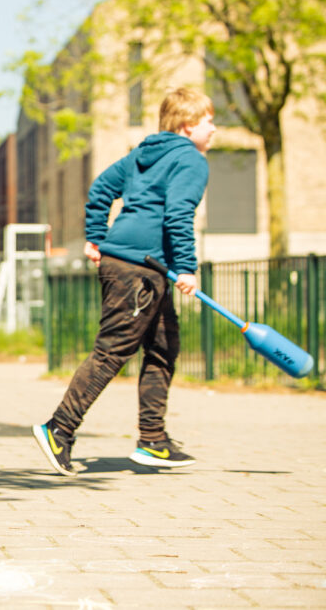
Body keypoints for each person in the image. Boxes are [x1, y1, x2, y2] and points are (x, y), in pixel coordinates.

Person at [32, 87, 216, 476]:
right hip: (140, 268)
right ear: (187, 125)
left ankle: (153, 440)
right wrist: (186, 266)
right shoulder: (191, 159)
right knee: (112, 350)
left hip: (143, 265)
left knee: (164, 346)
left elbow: (101, 189)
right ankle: (58, 429)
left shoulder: (141, 154)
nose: (214, 130)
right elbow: (179, 214)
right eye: (208, 121)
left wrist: (97, 237)